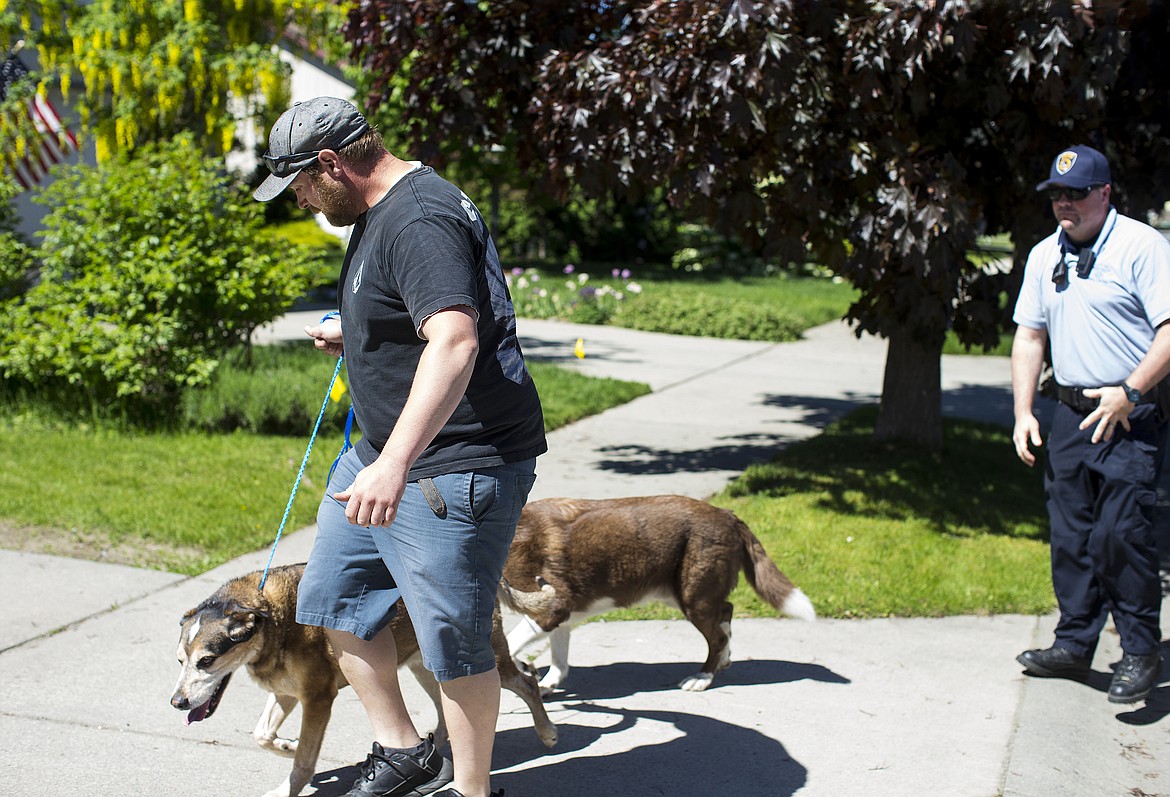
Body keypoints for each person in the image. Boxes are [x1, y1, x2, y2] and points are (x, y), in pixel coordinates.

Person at [254, 96, 547, 797]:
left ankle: (472, 790)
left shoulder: (418, 216)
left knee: (454, 644)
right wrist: (355, 332)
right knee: (332, 599)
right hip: (388, 454)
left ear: (331, 164)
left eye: (298, 184)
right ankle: (403, 749)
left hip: (451, 465)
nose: (298, 199)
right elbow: (415, 316)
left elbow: (455, 339)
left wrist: (395, 462)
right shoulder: (378, 208)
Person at [1011, 143, 1170, 704]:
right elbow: (1030, 335)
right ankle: (1074, 645)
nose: (1065, 203)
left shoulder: (1142, 247)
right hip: (1070, 415)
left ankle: (1141, 651)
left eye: (1077, 193)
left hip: (1128, 415)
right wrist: (1023, 412)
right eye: (1057, 193)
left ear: (1105, 193)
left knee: (1119, 536)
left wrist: (1130, 392)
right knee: (1071, 537)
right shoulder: (1042, 255)